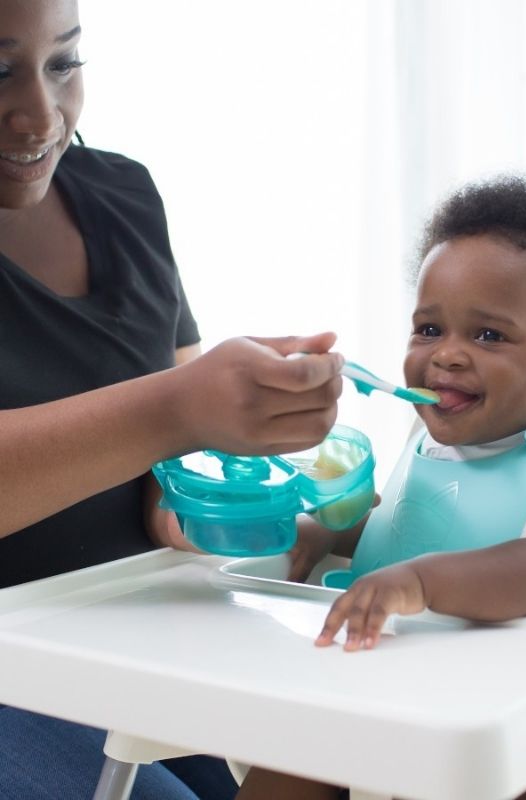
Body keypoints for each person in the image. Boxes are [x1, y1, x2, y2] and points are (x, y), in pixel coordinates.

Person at [0, 1, 342, 798]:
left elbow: (179, 432)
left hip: (135, 634)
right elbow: (171, 403)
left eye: (63, 63)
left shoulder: (125, 195)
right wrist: (176, 409)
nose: (39, 115)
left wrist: (193, 481)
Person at [235, 175, 526, 799]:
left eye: (488, 335)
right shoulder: (424, 445)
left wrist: (421, 583)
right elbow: (405, 528)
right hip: (378, 680)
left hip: (499, 711)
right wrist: (325, 534)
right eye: (429, 329)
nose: (446, 355)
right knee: (294, 750)